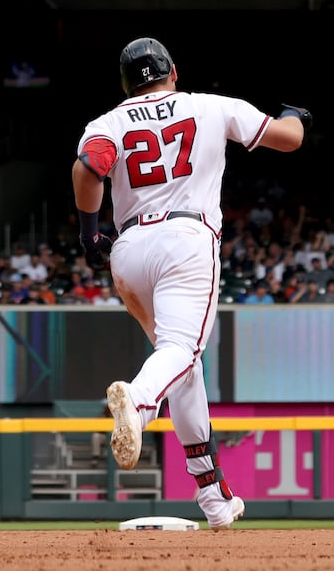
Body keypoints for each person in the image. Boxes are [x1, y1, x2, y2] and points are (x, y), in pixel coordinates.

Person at [74, 38, 309, 529]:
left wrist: (88, 229)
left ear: (125, 82)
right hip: (185, 237)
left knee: (181, 363)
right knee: (181, 350)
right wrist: (296, 117)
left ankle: (213, 498)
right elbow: (288, 140)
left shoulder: (109, 122)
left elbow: (88, 168)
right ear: (173, 71)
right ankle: (138, 403)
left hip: (130, 249)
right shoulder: (210, 105)